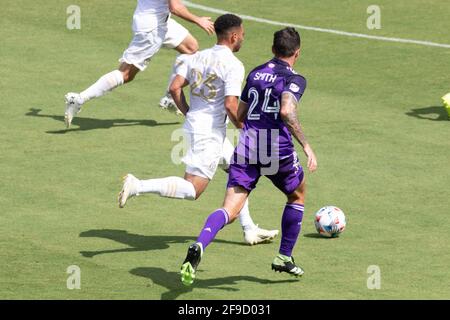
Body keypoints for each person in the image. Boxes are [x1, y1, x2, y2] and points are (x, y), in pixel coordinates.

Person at [118, 14, 279, 245]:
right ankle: (138, 186)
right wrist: (246, 129)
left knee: (238, 171)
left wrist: (189, 113)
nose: (243, 38)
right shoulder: (234, 65)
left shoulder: (197, 57)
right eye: (242, 35)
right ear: (233, 36)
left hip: (199, 126)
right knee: (193, 190)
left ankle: (249, 228)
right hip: (210, 134)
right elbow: (230, 105)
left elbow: (174, 88)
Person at [180, 27, 318, 286]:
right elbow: (287, 110)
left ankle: (200, 244)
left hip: (247, 146)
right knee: (297, 194)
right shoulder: (295, 79)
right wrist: (307, 145)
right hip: (277, 149)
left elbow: (240, 114)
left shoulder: (255, 73)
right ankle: (283, 257)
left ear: (273, 50)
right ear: (297, 53)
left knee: (229, 210)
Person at [64, 0, 215, 128]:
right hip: (151, 29)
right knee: (126, 74)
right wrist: (198, 20)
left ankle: (170, 98)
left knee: (191, 48)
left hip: (158, 18)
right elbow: (175, 7)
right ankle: (78, 99)